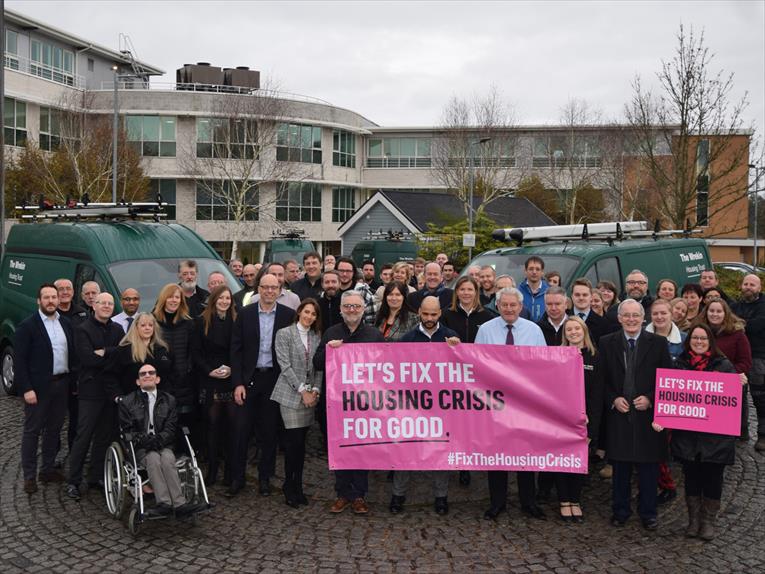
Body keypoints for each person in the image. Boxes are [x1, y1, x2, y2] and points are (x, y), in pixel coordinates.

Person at [655, 324, 743, 540]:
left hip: (717, 438)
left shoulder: (724, 365)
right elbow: (670, 395)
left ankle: (708, 522)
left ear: (710, 341)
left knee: (713, 480)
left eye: (703, 338)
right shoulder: (680, 364)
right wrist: (662, 416)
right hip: (688, 437)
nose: (699, 342)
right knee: (692, 478)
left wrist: (740, 384)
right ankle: (693, 521)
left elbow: (734, 403)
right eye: (695, 338)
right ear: (689, 340)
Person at [599, 299, 673, 530]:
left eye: (635, 315)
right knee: (620, 469)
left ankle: (648, 513)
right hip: (619, 415)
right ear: (619, 318)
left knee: (648, 469)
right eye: (626, 315)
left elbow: (667, 379)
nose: (631, 319)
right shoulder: (606, 342)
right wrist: (613, 398)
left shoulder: (659, 344)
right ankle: (620, 511)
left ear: (643, 319)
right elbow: (602, 380)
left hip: (647, 417)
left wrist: (651, 398)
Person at [475, 287, 547, 521]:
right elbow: (476, 363)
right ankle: (497, 502)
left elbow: (545, 365)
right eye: (504, 305)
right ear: (498, 306)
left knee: (525, 453)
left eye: (513, 305)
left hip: (525, 402)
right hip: (495, 402)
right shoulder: (485, 330)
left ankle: (529, 502)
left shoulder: (534, 330)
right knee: (497, 454)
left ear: (520, 306)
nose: (508, 309)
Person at [314, 290, 385, 514]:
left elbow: (387, 366)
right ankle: (342, 493)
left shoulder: (374, 335)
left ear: (363, 309)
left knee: (361, 450)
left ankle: (359, 496)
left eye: (356, 306)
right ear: (341, 309)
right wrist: (328, 350)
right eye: (348, 307)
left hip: (365, 403)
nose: (352, 310)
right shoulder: (331, 333)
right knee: (341, 448)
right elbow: (316, 363)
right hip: (337, 403)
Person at [391, 296, 460, 515]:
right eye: (426, 314)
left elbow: (464, 370)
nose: (430, 318)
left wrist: (458, 350)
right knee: (405, 450)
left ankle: (441, 497)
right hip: (412, 405)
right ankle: (397, 495)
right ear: (419, 312)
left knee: (440, 450)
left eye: (434, 314)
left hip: (442, 406)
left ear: (440, 313)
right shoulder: (408, 338)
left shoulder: (451, 337)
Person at [229, 273, 295, 497]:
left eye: (273, 287)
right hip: (248, 380)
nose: (268, 291)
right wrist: (237, 382)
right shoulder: (245, 314)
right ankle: (237, 478)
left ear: (279, 289)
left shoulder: (288, 315)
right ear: (258, 289)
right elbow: (235, 351)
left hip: (274, 380)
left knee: (269, 434)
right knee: (240, 432)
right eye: (264, 287)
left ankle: (265, 479)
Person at [118, 364, 202, 517]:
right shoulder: (127, 402)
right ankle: (164, 502)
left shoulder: (169, 400)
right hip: (141, 448)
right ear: (138, 382)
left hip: (164, 445)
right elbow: (128, 430)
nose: (147, 375)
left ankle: (179, 504)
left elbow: (171, 428)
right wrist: (149, 442)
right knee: (153, 458)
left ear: (157, 379)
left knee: (168, 458)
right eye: (143, 374)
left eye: (151, 373)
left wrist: (158, 441)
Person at [17, 284, 76, 494]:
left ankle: (48, 469)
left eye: (54, 297)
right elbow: (20, 361)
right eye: (46, 297)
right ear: (39, 301)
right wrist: (26, 388)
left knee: (54, 429)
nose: (51, 301)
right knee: (32, 431)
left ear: (59, 300)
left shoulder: (66, 323)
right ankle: (29, 477)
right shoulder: (28, 326)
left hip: (62, 384)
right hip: (38, 388)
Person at [66, 292, 125, 500]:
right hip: (90, 391)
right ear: (94, 305)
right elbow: (87, 359)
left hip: (110, 390)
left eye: (110, 303)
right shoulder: (82, 330)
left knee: (104, 436)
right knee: (84, 436)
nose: (107, 306)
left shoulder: (117, 329)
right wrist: (111, 354)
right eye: (103, 303)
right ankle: (73, 480)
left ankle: (96, 476)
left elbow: (121, 355)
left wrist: (105, 352)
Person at [441, 275, 495, 488]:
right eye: (462, 289)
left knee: (474, 420)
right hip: (453, 375)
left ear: (476, 292)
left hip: (479, 376)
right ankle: (458, 462)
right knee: (455, 420)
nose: (465, 293)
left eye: (470, 290)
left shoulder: (488, 316)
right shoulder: (447, 315)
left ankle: (473, 459)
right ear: (457, 292)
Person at [271, 298, 323, 507]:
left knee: (301, 446)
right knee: (293, 444)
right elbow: (284, 365)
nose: (309, 316)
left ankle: (298, 485)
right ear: (300, 311)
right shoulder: (284, 333)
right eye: (307, 312)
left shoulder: (316, 336)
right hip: (290, 395)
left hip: (310, 396)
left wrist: (316, 391)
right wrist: (302, 391)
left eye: (313, 314)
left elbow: (318, 367)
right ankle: (289, 486)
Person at [557, 316, 603, 523]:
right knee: (561, 463)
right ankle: (564, 502)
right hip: (560, 420)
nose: (573, 332)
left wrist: (592, 429)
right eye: (569, 329)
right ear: (564, 334)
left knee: (577, 463)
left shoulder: (595, 357)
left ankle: (575, 501)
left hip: (584, 422)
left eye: (577, 328)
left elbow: (597, 396)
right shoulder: (557, 356)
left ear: (584, 331)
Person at [191, 286, 237, 486]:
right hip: (209, 377)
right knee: (212, 426)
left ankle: (229, 471)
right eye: (221, 298)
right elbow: (196, 352)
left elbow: (240, 348)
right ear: (214, 299)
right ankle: (212, 469)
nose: (225, 301)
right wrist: (209, 370)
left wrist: (232, 369)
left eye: (228, 298)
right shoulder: (201, 321)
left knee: (230, 426)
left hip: (230, 377)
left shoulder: (237, 320)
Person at [645, 298, 687, 505]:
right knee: (649, 447)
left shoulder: (685, 340)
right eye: (655, 314)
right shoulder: (642, 336)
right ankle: (655, 484)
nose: (659, 317)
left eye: (664, 313)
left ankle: (667, 485)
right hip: (646, 399)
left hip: (672, 402)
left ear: (672, 314)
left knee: (662, 447)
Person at [698, 297, 752, 441]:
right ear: (706, 312)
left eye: (719, 311)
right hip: (702, 385)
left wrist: (725, 374)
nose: (715, 314)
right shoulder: (698, 331)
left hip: (727, 388)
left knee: (722, 432)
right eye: (711, 311)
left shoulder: (737, 334)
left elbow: (745, 362)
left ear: (725, 313)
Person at [152, 284, 196, 442]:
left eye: (177, 297)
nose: (174, 300)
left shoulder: (188, 323)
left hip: (183, 381)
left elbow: (193, 352)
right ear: (164, 298)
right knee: (162, 421)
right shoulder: (153, 321)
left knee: (184, 422)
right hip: (161, 381)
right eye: (170, 296)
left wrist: (187, 371)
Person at [730, 274, 765, 448]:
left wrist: (740, 324)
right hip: (738, 357)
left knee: (760, 396)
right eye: (745, 284)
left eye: (752, 284)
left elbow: (758, 326)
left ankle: (762, 435)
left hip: (759, 356)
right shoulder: (735, 306)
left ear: (759, 288)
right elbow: (730, 324)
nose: (748, 287)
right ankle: (740, 430)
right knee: (738, 396)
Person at [54, 278, 87, 451]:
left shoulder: (82, 313)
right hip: (57, 375)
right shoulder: (51, 314)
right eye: (61, 289)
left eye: (68, 288)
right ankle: (53, 455)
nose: (65, 292)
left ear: (73, 292)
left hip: (77, 375)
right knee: (54, 418)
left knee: (76, 416)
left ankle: (75, 452)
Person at [109, 312, 173, 396]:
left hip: (160, 402)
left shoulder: (163, 349)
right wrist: (118, 397)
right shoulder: (124, 350)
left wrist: (169, 396)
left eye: (150, 325)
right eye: (143, 325)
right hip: (132, 403)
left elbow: (172, 375)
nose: (147, 328)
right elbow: (110, 376)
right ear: (136, 327)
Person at [335, 257, 376, 325]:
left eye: (348, 271)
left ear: (353, 272)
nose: (344, 274)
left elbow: (371, 322)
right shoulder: (331, 292)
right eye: (341, 271)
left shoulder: (364, 293)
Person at [569, 278, 608, 346]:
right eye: (577, 295)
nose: (581, 298)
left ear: (590, 297)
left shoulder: (603, 323)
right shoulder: (564, 318)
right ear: (572, 296)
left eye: (585, 295)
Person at [518, 256, 548, 322]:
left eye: (537, 269)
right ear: (525, 271)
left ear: (542, 272)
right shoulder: (517, 291)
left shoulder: (550, 291)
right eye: (531, 269)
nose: (534, 272)